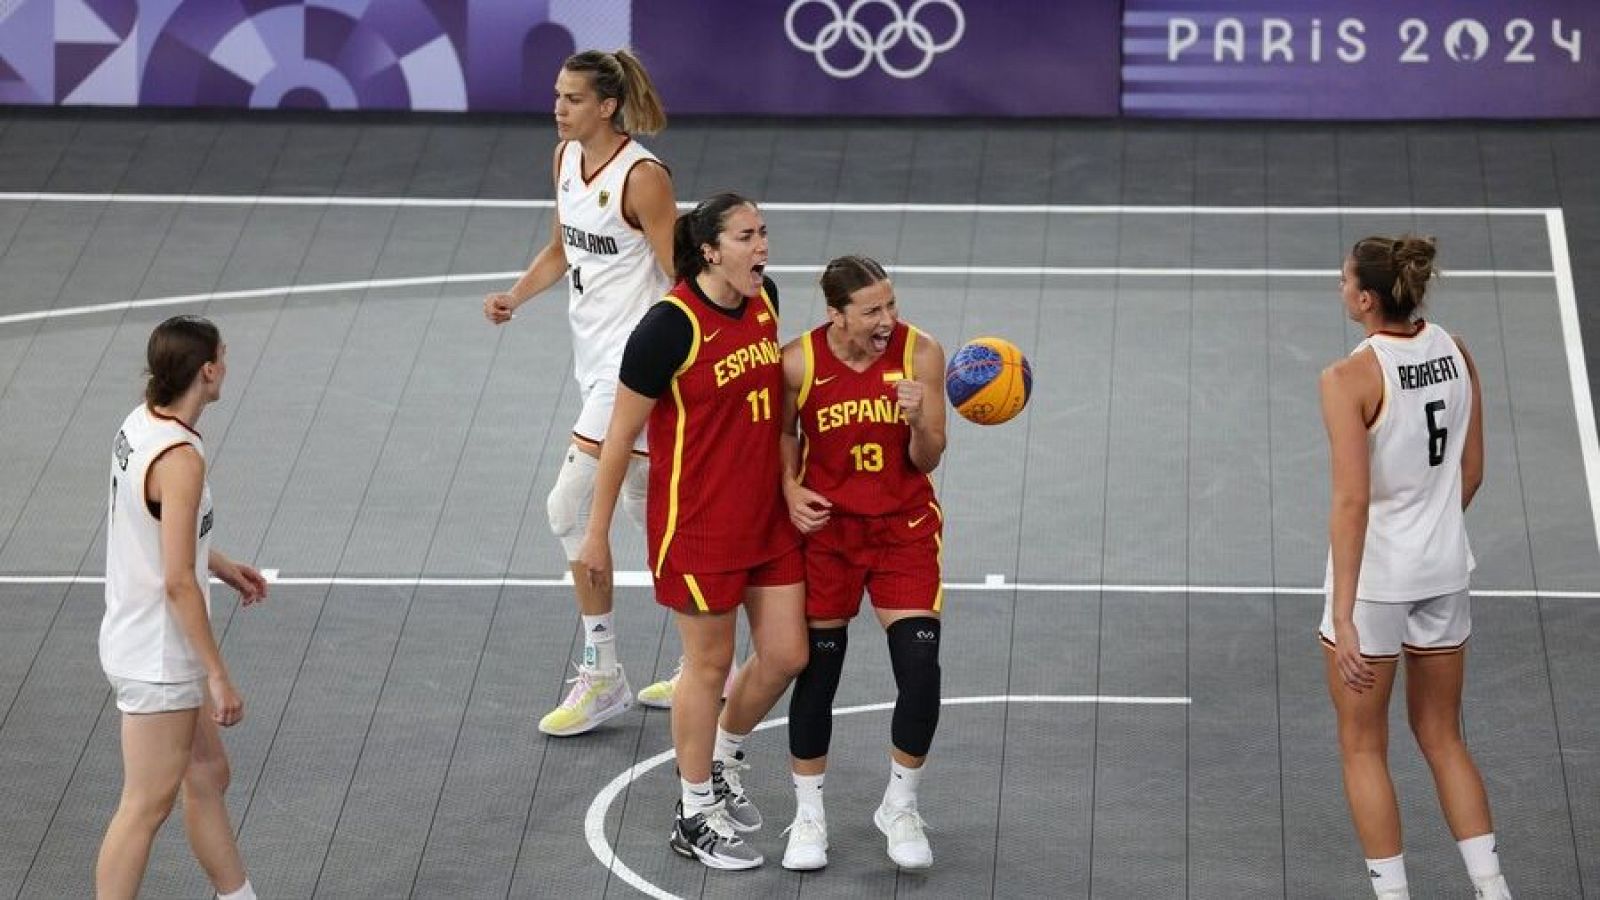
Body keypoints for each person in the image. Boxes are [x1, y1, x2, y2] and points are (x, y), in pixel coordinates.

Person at [578, 193, 808, 870]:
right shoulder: (668, 326)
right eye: (747, 235)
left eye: (765, 232)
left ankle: (726, 757)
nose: (761, 246)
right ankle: (694, 811)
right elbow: (619, 436)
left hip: (765, 516)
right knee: (707, 666)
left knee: (788, 654)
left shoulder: (766, 300)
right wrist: (597, 533)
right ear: (710, 249)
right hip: (699, 525)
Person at [482, 49, 681, 735]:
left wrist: (702, 363)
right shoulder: (565, 160)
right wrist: (517, 294)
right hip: (592, 362)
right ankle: (707, 655)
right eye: (556, 95)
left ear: (606, 106)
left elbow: (681, 278)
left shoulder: (644, 178)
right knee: (653, 514)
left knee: (569, 509)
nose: (558, 108)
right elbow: (564, 246)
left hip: (636, 369)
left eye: (571, 99)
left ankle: (602, 675)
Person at [1319, 236, 1510, 900]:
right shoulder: (1457, 352)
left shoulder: (1347, 379)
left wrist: (1343, 616)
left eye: (1344, 281)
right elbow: (1472, 470)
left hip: (1374, 586)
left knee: (1363, 747)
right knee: (1443, 736)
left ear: (1367, 299)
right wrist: (1431, 529)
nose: (1340, 288)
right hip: (1445, 571)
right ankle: (1492, 889)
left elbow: (1350, 501)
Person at [776, 256, 948, 871]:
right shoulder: (798, 361)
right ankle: (809, 816)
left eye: (892, 304)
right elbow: (784, 433)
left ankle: (899, 806)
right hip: (829, 538)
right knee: (819, 676)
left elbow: (928, 457)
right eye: (872, 310)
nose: (887, 319)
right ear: (836, 314)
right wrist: (791, 491)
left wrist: (915, 420)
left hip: (901, 531)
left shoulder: (921, 354)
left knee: (922, 671)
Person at [96, 315, 268, 900]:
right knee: (143, 808)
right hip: (158, 655)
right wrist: (217, 677)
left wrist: (218, 562)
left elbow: (157, 529)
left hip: (141, 636)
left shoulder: (138, 423)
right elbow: (176, 583)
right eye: (223, 356)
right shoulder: (182, 459)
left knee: (208, 774)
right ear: (208, 371)